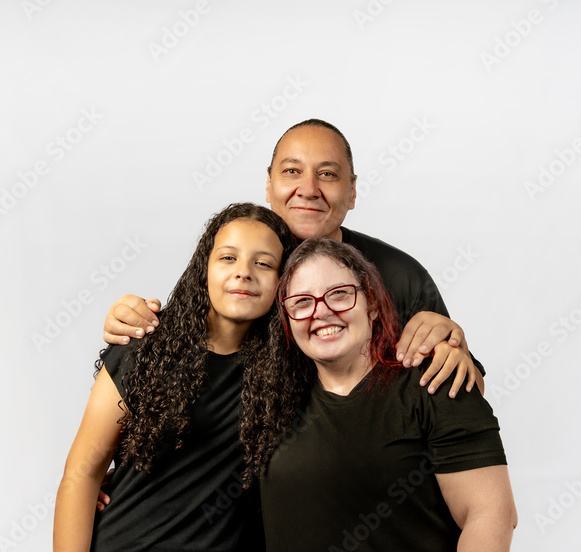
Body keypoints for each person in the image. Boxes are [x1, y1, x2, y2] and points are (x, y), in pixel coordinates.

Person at [51, 203, 302, 552]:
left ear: (283, 282)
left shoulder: (296, 368)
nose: (244, 272)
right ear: (203, 269)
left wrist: (439, 330)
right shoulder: (144, 349)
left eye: (264, 263)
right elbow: (81, 474)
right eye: (228, 257)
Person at [260, 238, 517, 552]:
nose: (321, 311)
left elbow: (491, 515)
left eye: (339, 294)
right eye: (301, 302)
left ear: (374, 305)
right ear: (287, 319)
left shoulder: (434, 384)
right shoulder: (273, 402)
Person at [101, 119, 486, 399]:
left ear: (352, 192)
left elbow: (469, 394)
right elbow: (176, 348)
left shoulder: (400, 275)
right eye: (291, 171)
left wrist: (452, 348)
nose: (309, 189)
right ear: (269, 185)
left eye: (328, 174)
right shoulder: (239, 267)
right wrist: (133, 319)